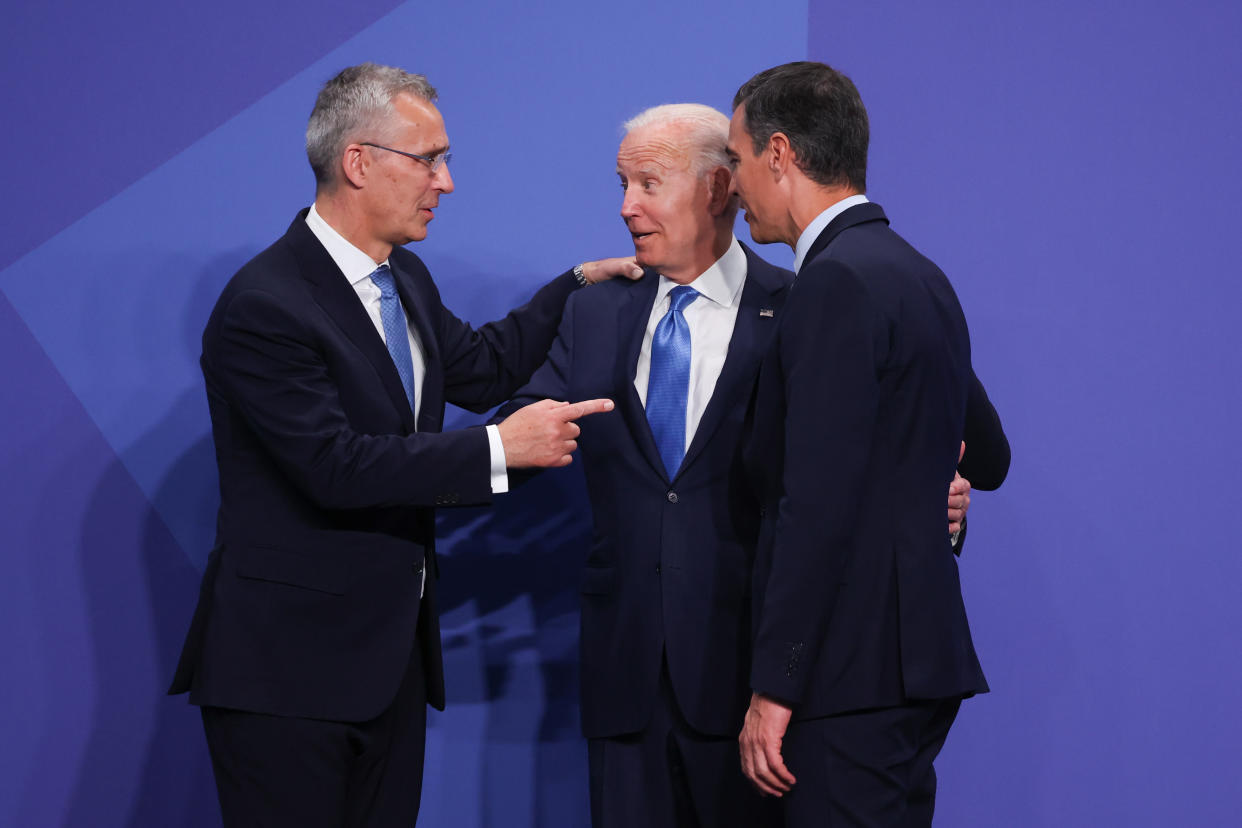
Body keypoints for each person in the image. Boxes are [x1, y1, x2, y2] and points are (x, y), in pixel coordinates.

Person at [168, 62, 633, 827]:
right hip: (287, 680)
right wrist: (497, 450)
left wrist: (576, 282)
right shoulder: (265, 304)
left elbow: (482, 368)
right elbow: (334, 465)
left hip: (388, 671)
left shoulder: (404, 277)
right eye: (430, 159)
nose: (445, 183)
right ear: (358, 161)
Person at [501, 104, 986, 827]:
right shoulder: (593, 311)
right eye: (621, 183)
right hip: (626, 678)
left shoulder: (810, 300)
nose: (625, 206)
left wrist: (934, 501)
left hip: (756, 683)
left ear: (720, 187)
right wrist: (470, 464)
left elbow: (924, 434)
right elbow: (517, 439)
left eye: (647, 183)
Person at [727, 61, 1011, 827]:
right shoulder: (919, 275)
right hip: (914, 666)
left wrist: (777, 684)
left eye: (738, 158)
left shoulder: (834, 285)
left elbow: (815, 502)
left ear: (779, 154)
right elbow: (988, 454)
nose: (733, 183)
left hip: (846, 674)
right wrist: (926, 490)